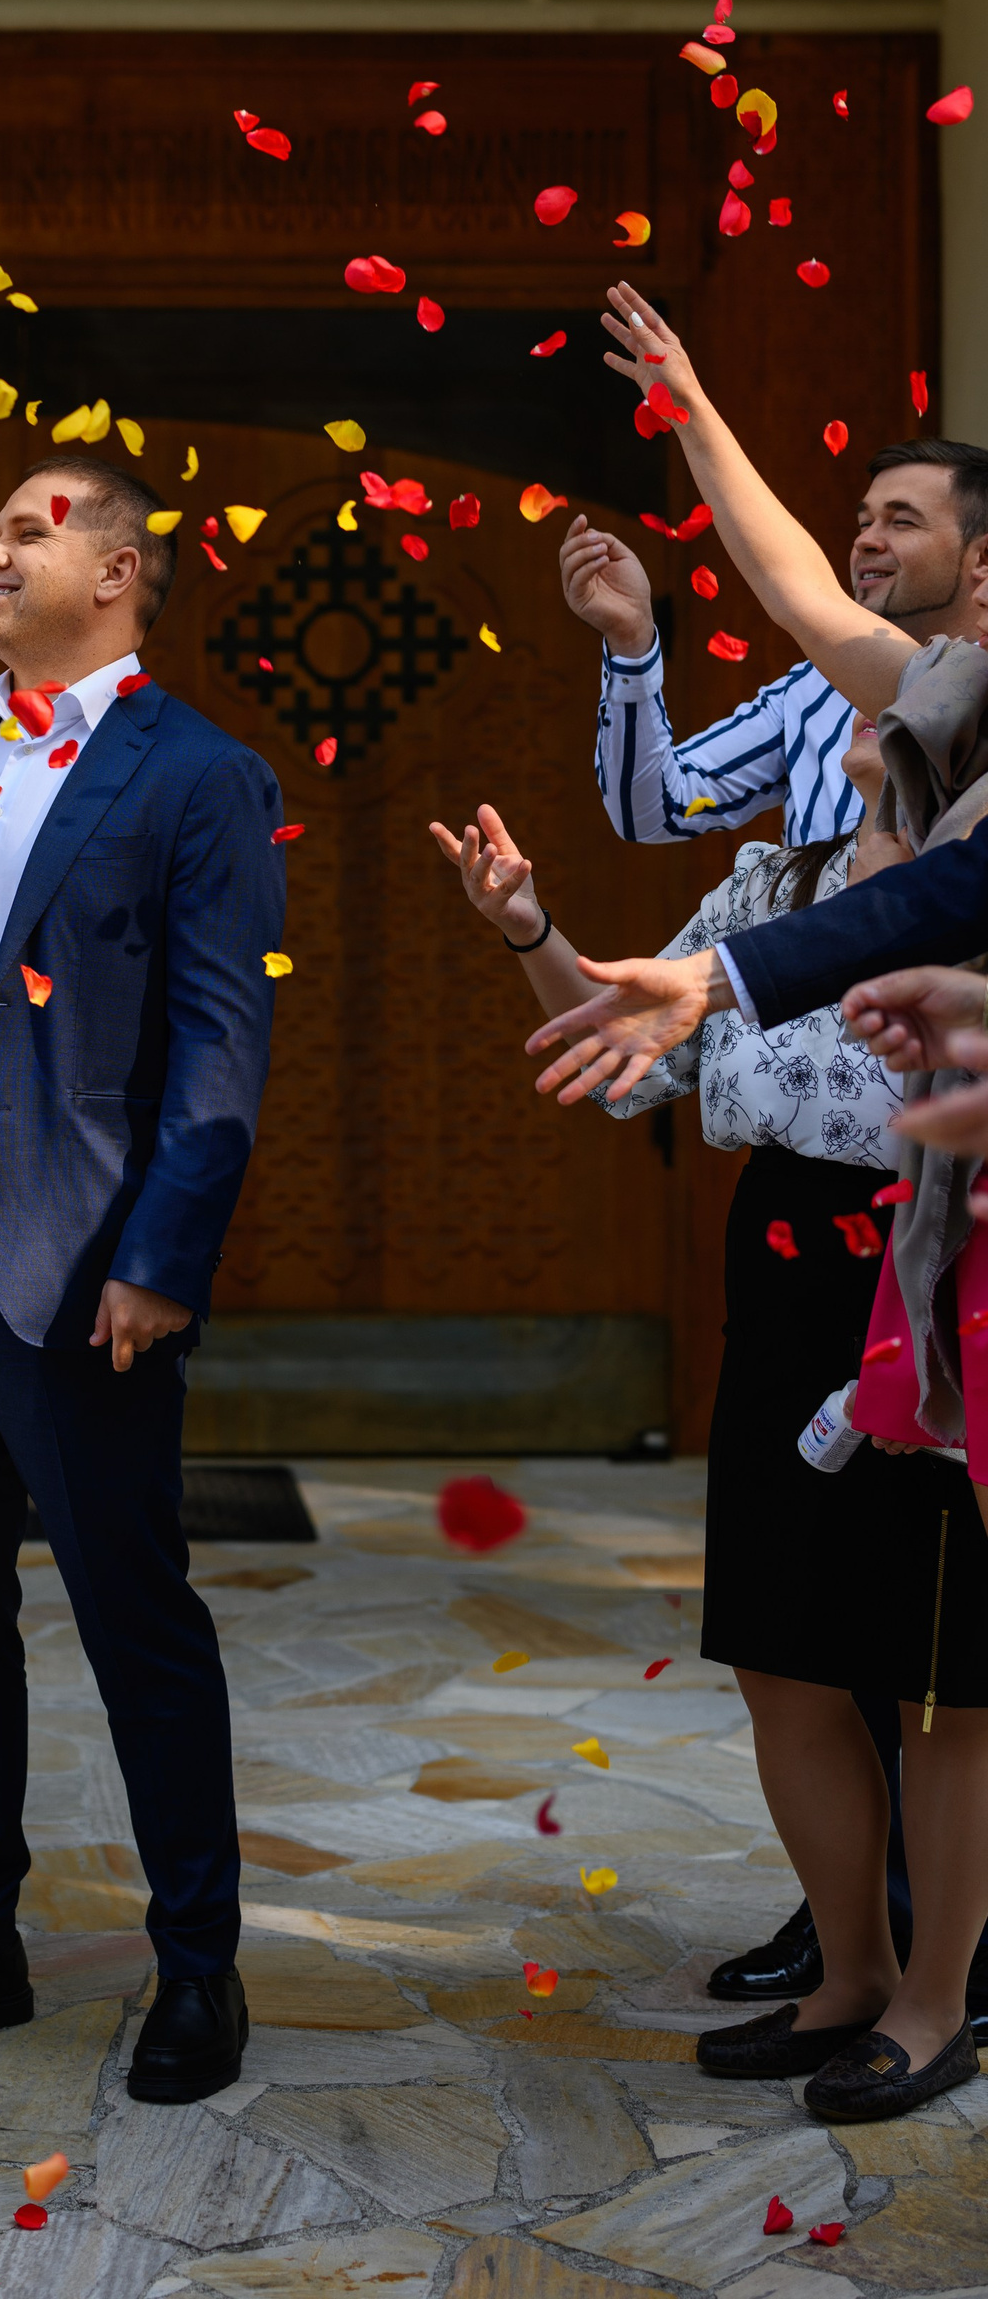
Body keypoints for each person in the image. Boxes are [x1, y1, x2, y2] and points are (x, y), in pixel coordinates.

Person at [525, 289, 988, 2113]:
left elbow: (918, 911)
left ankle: (937, 1998)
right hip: (800, 1250)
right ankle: (848, 1969)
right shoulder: (910, 727)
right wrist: (695, 410)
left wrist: (723, 980)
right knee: (790, 1644)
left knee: (947, 1671)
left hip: (953, 1263)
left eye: (915, 526)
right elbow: (798, 597)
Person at [0, 455, 285, 2104]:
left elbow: (221, 1043)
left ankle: (199, 1965)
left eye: (30, 530)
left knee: (136, 1621)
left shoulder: (202, 774)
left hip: (83, 1270)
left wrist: (161, 1258)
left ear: (120, 568)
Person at [565, 442, 988, 850]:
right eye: (864, 524)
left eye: (903, 522)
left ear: (983, 558)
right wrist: (631, 643)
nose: (866, 541)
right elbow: (654, 811)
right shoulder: (812, 686)